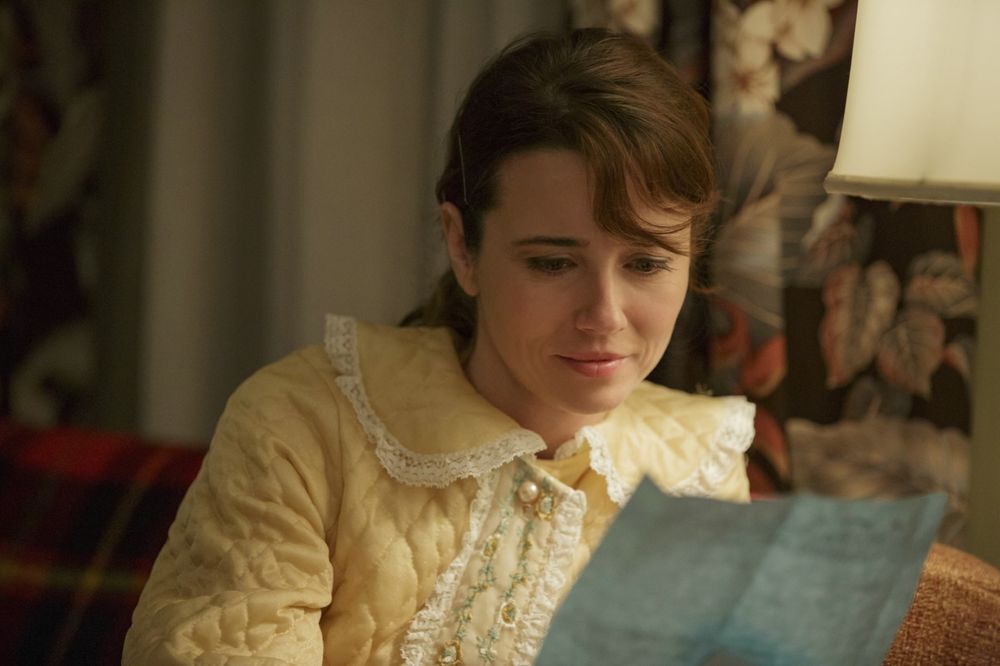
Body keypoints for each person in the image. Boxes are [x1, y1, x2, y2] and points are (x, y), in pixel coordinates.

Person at [123, 28, 753, 665]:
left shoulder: (699, 468)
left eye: (646, 263)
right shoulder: (300, 426)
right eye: (553, 263)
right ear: (462, 246)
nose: (604, 316)